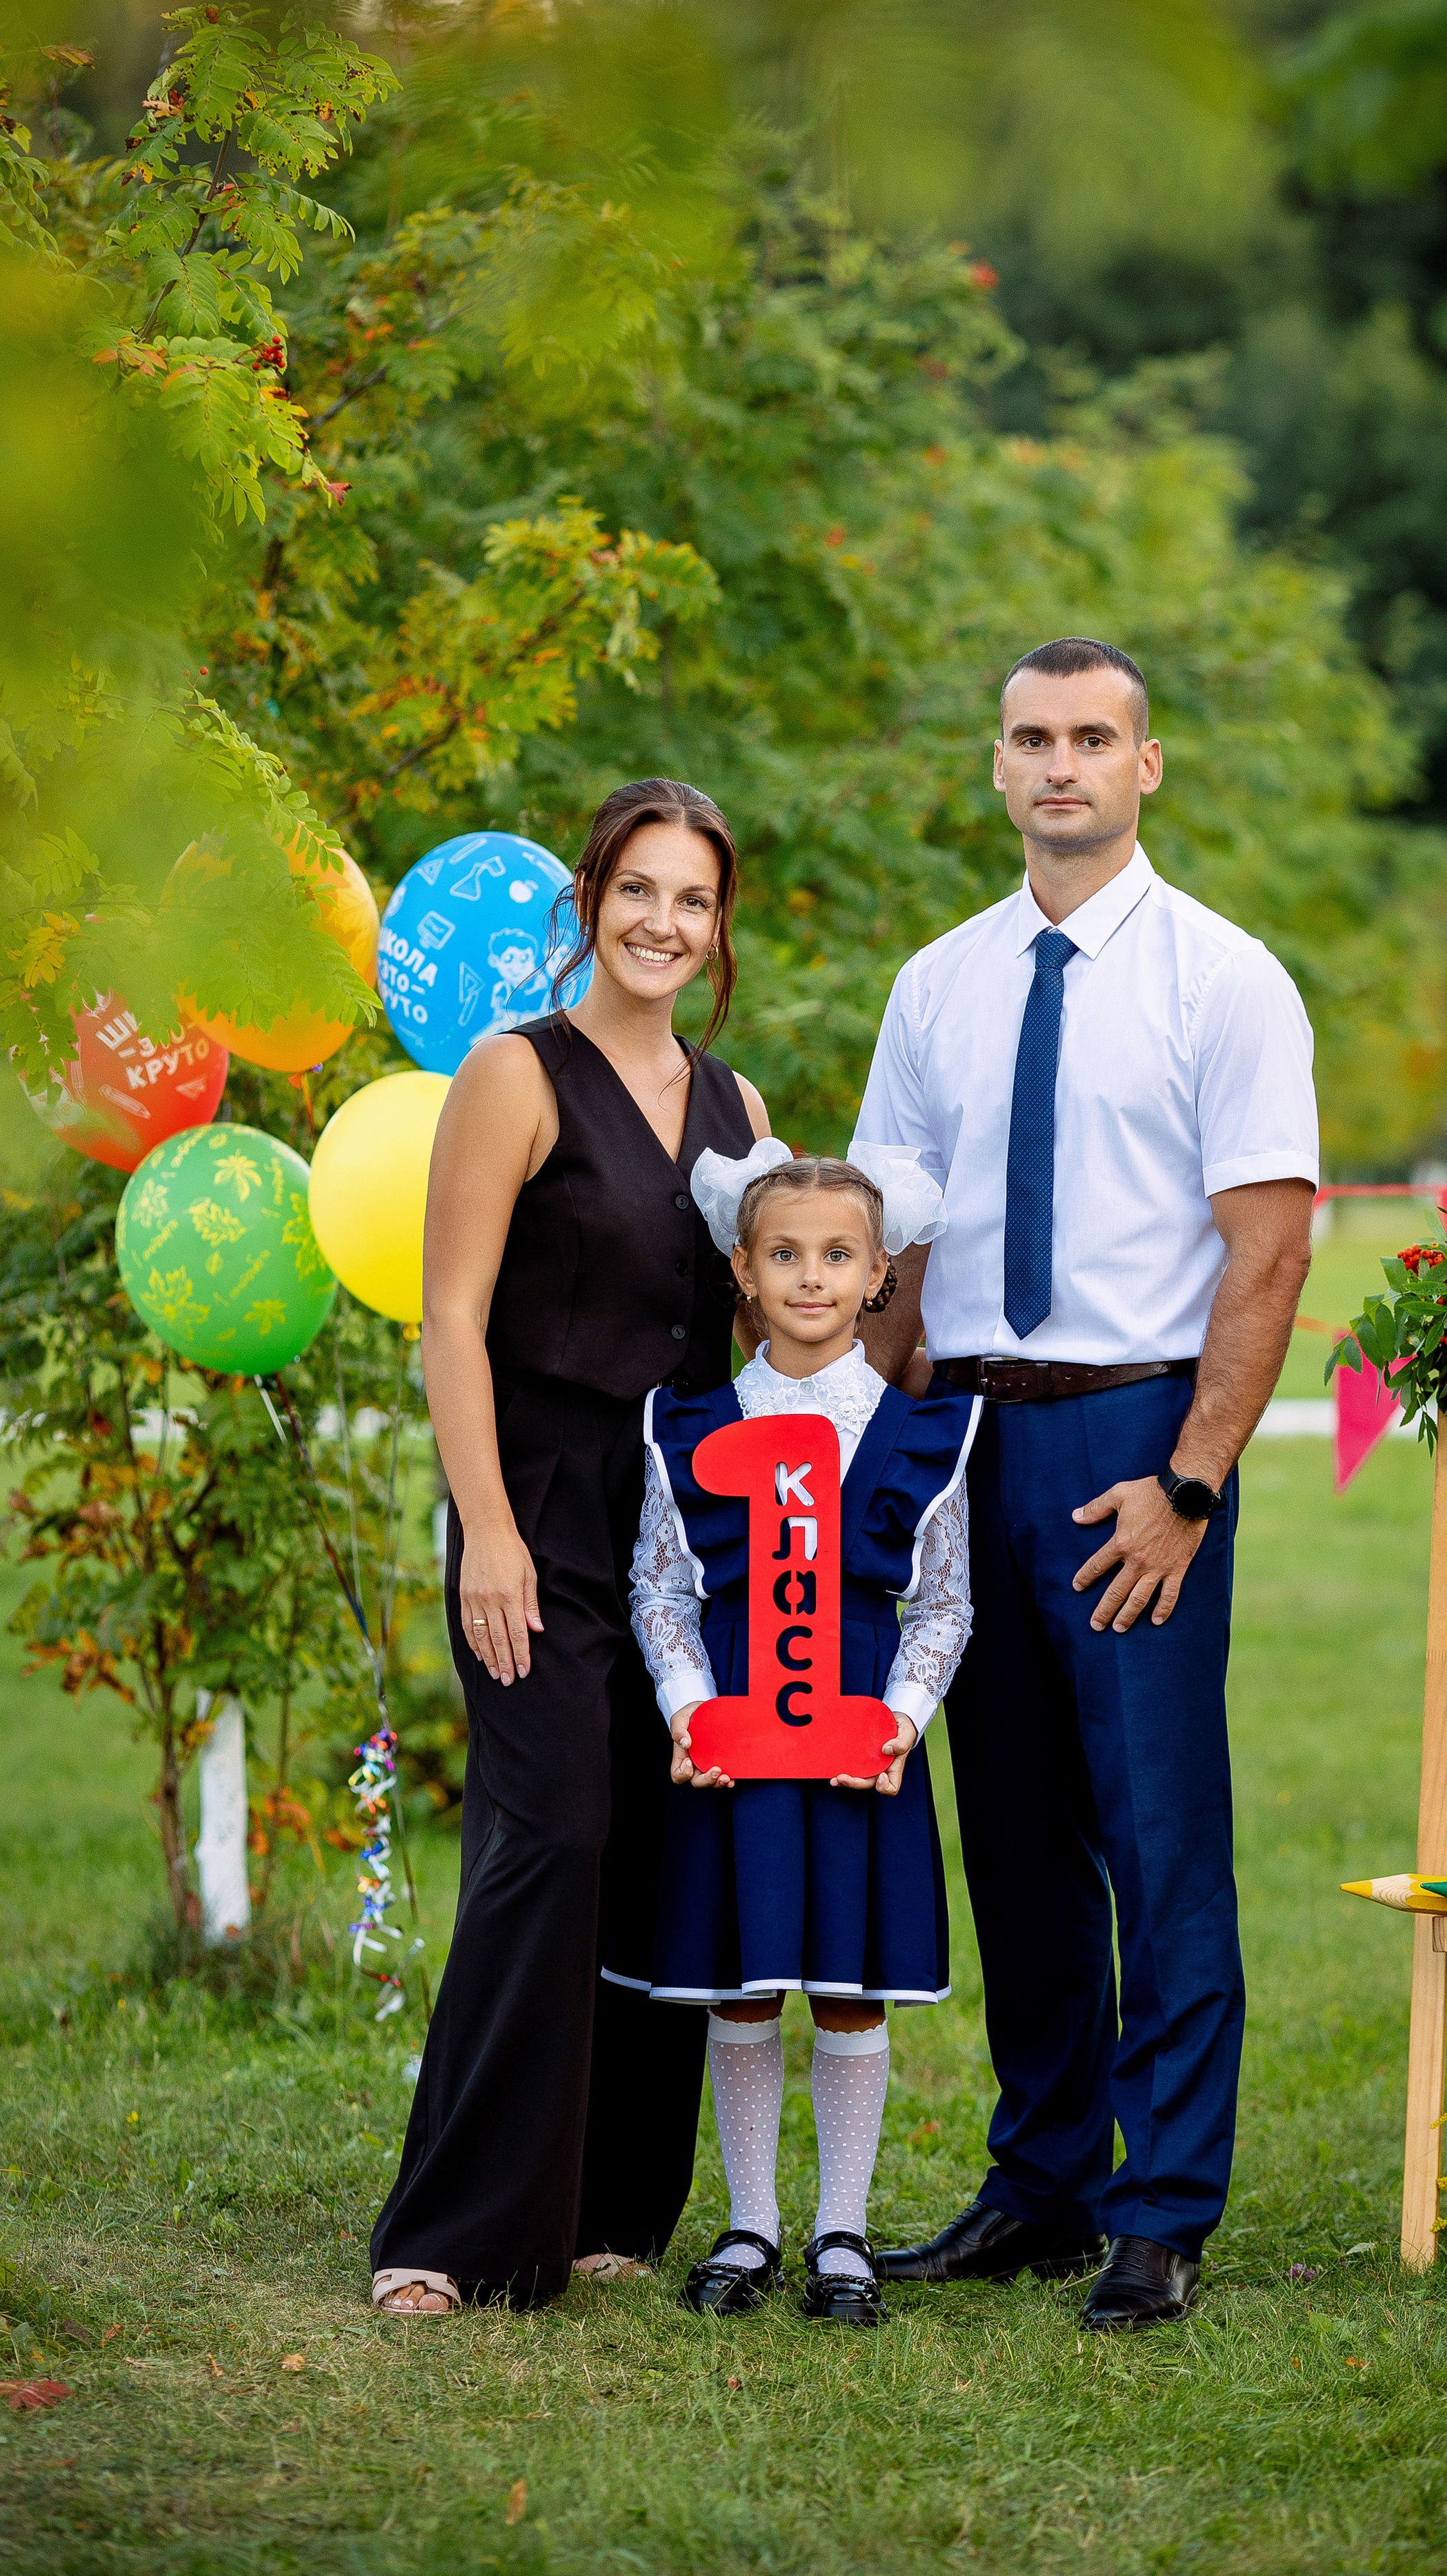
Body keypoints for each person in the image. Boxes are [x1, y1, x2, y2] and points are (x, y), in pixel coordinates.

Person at [854, 638, 1317, 2332]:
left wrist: (1186, 1486)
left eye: (1092, 739)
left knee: (1157, 1838)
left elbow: (1264, 1258)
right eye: (1032, 738)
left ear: (1145, 768)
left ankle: (1161, 2204)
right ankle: (1040, 2182)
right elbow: (894, 1251)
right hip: (965, 1443)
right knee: (1020, 1847)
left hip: (1132, 1444)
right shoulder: (935, 985)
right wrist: (883, 1458)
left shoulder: (1226, 980)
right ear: (995, 766)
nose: (1060, 766)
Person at [370, 777, 770, 2315]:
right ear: (587, 901)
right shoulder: (513, 1072)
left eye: (694, 900)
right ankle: (454, 2229)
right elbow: (450, 1317)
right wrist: (484, 1527)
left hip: (684, 1520)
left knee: (666, 1843)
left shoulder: (734, 1110)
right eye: (640, 891)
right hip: (533, 1499)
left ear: (718, 926)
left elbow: (792, 1286)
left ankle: (612, 2202)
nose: (665, 923)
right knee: (550, 1840)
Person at [621, 1149, 979, 2326]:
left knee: (847, 1986)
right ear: (743, 1267)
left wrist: (898, 1722)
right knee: (741, 1982)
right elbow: (662, 1590)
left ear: (880, 1273)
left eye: (838, 1256)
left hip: (853, 1741)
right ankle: (750, 2225)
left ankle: (841, 2235)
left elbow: (944, 1604)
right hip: (736, 1741)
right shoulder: (693, 1424)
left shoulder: (922, 1437)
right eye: (786, 1254)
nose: (811, 1277)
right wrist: (689, 1708)